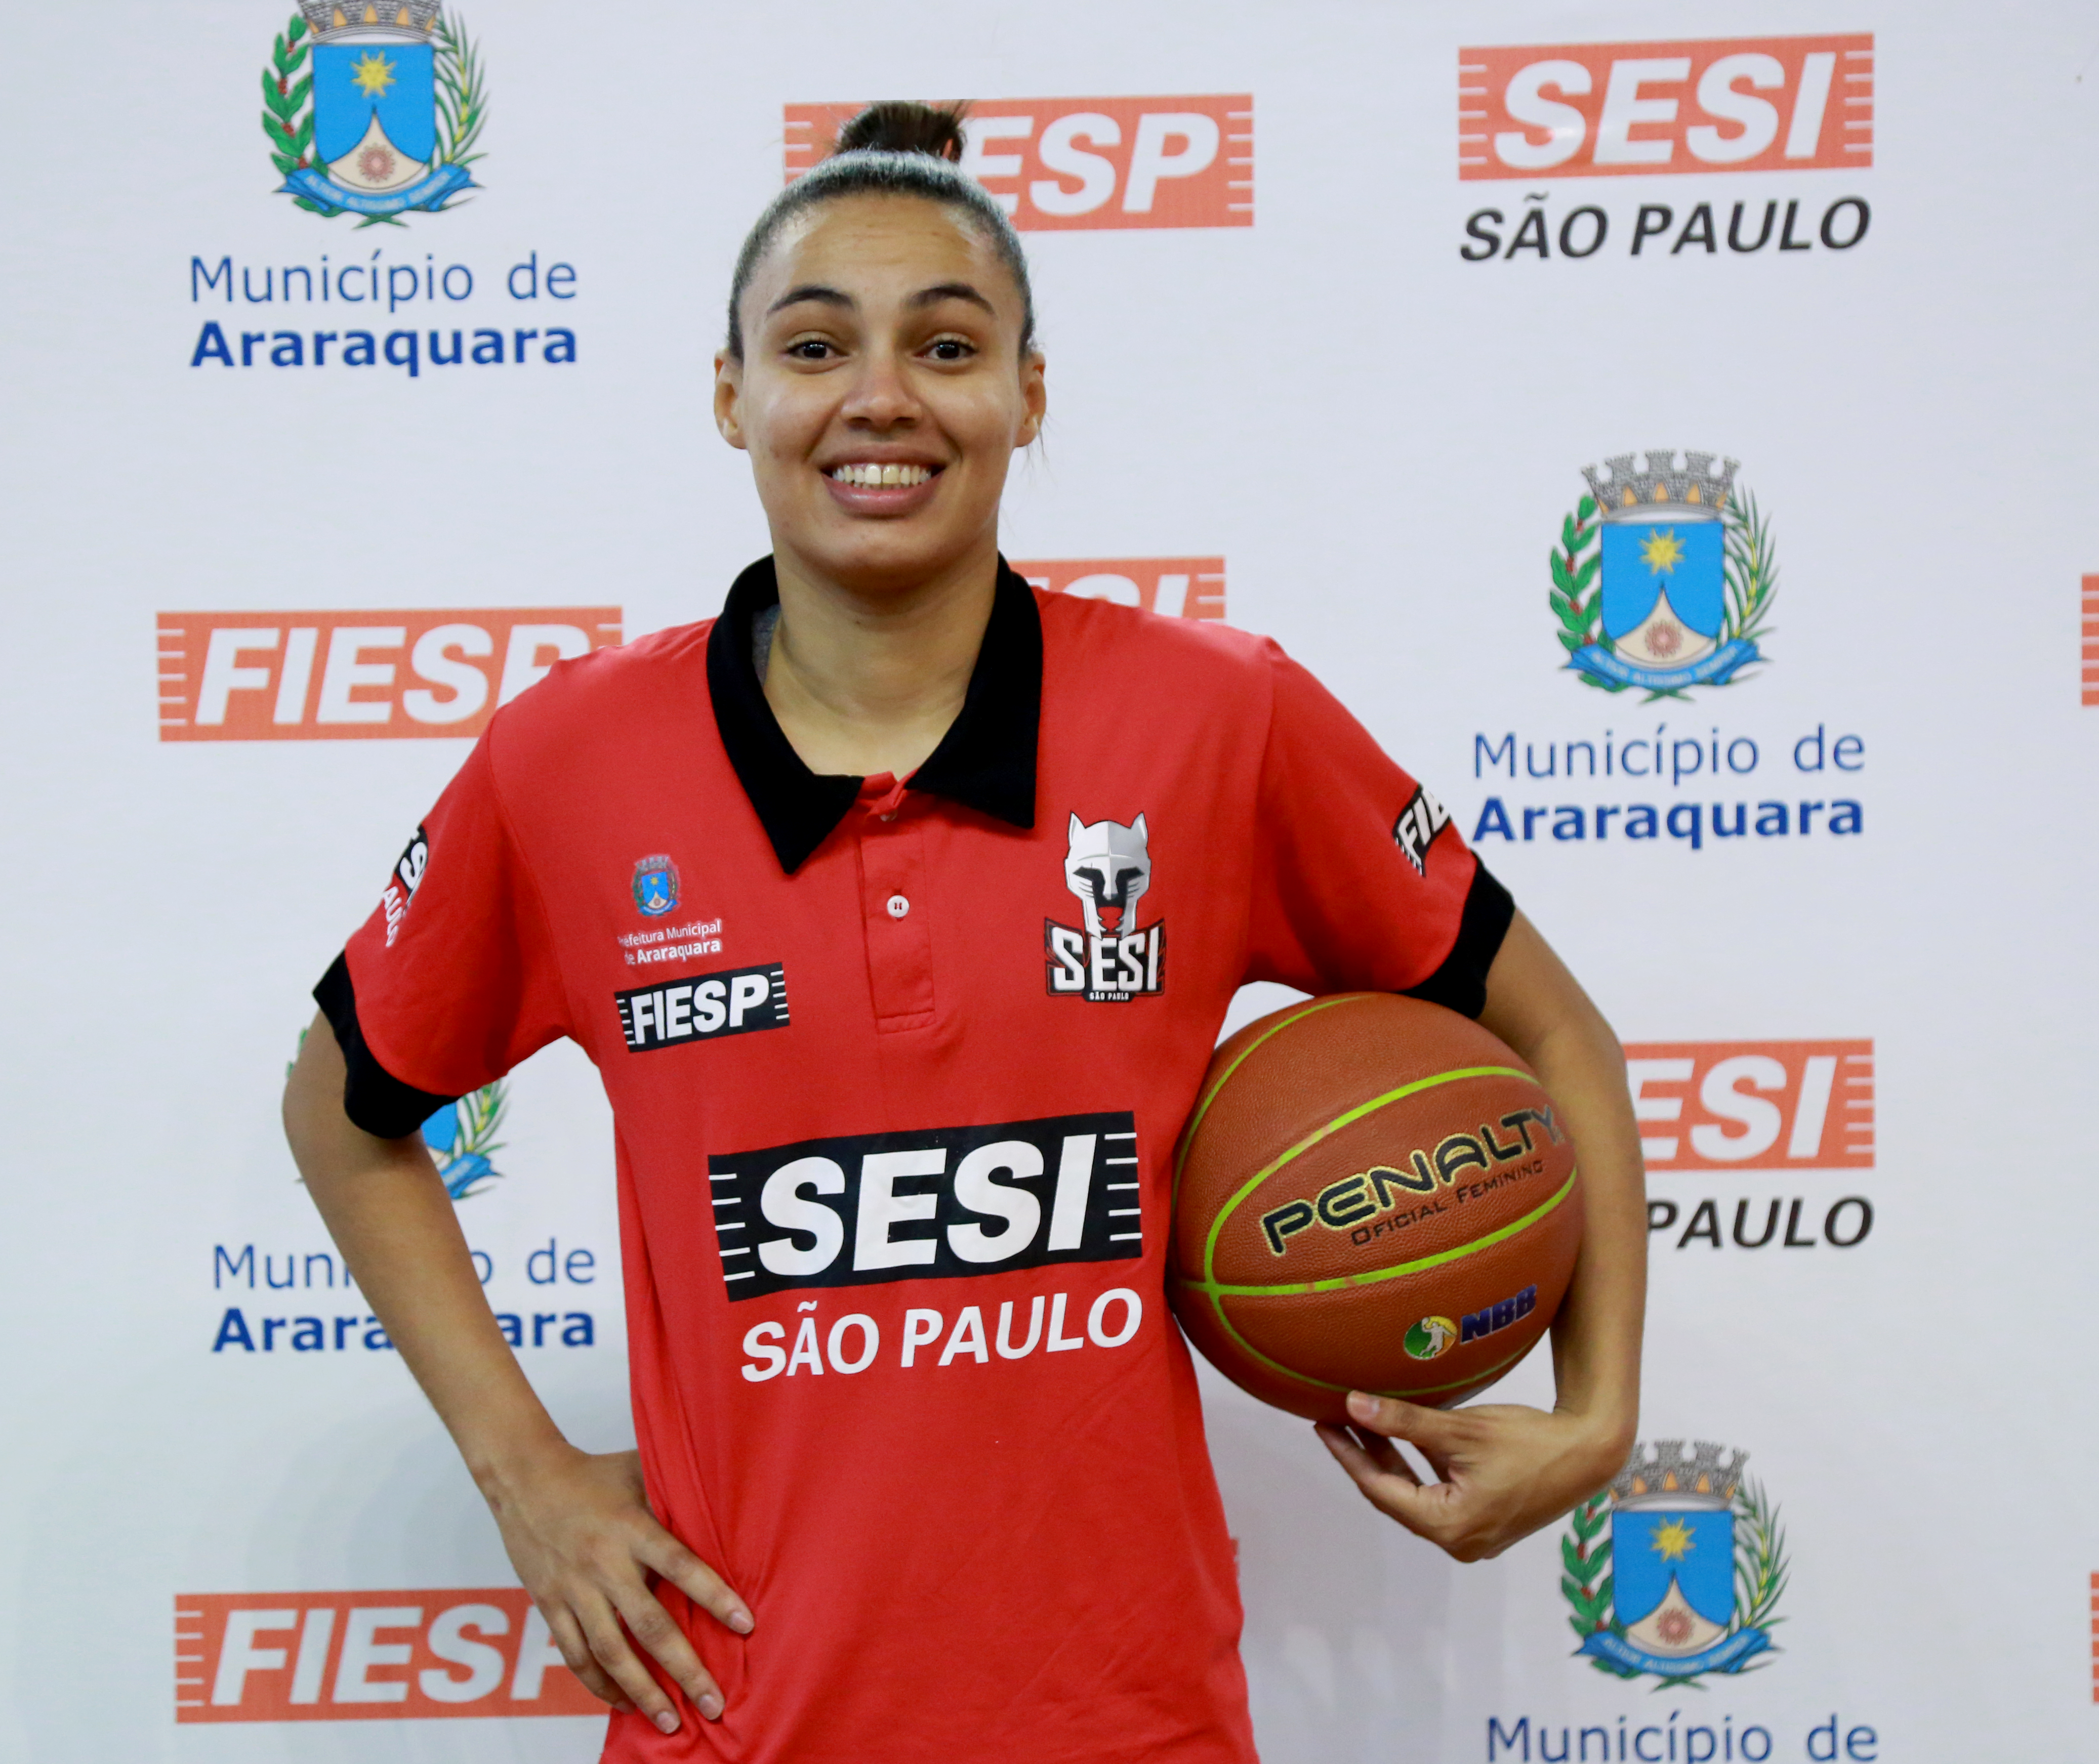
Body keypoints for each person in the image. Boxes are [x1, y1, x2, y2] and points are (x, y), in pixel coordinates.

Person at [283, 100, 1645, 1763]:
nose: (880, 399)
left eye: (946, 344)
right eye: (812, 343)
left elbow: (1555, 1036)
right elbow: (343, 1116)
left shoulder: (1217, 722)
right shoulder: (571, 762)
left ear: (1025, 395)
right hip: (740, 1723)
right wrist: (525, 1474)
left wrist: (1595, 1416)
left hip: (1125, 1722)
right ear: (731, 396)